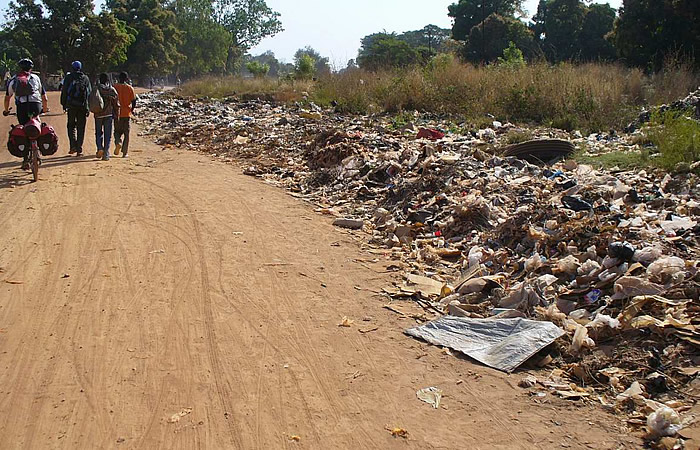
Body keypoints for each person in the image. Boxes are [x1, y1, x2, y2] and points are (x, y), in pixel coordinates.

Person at [3, 58, 50, 170]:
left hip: (22, 107)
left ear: (20, 68)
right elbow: (44, 97)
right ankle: (37, 152)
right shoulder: (36, 78)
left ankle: (25, 159)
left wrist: (6, 110)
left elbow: (7, 98)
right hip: (36, 106)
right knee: (36, 125)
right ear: (31, 68)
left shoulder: (14, 79)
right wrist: (44, 109)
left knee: (24, 129)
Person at [60, 61, 91, 156]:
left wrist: (64, 104)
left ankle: (73, 145)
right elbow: (88, 93)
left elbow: (64, 91)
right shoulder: (85, 78)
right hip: (82, 106)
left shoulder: (68, 78)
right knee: (81, 128)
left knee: (71, 126)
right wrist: (87, 107)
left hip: (71, 106)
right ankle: (79, 149)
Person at [93, 73, 119, 161]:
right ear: (108, 80)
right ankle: (106, 153)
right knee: (108, 135)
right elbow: (116, 103)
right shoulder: (111, 90)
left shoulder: (97, 89)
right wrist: (116, 114)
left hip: (98, 114)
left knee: (98, 133)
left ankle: (100, 148)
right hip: (108, 114)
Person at [113, 71, 136, 158]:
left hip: (117, 113)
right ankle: (125, 152)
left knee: (116, 131)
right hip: (126, 113)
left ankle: (118, 142)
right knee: (126, 133)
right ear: (127, 79)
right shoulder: (130, 88)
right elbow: (134, 101)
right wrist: (132, 110)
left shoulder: (114, 87)